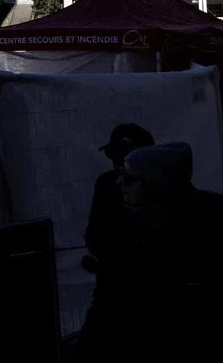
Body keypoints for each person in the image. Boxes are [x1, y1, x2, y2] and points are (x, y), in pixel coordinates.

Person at [117, 142, 223, 360]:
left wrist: (220, 286)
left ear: (152, 180)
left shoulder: (208, 212)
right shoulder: (131, 225)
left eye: (129, 177)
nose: (120, 184)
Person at [73, 123, 154, 362]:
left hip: (147, 290)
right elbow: (93, 232)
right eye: (116, 159)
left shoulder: (158, 190)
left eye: (125, 160)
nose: (119, 168)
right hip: (111, 286)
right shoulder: (106, 184)